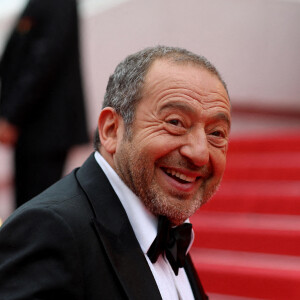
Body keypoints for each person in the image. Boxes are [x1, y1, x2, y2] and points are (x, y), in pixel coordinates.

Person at [0, 46, 231, 299]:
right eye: (175, 122)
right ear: (111, 130)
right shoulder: (49, 230)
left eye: (216, 133)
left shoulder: (168, 231)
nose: (199, 153)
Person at [0, 0, 89, 207]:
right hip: (35, 128)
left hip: (45, 127)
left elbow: (42, 62)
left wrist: (12, 116)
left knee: (34, 210)